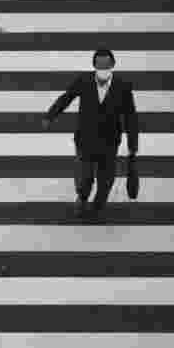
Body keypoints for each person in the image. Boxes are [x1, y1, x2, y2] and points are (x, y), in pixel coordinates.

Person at [42, 48, 140, 219]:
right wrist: (50, 116)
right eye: (99, 64)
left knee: (106, 180)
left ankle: (98, 206)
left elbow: (131, 117)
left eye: (106, 64)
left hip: (109, 142)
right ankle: (82, 197)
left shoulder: (123, 86)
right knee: (84, 177)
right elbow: (66, 98)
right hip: (85, 139)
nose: (103, 68)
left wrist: (133, 146)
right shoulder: (83, 80)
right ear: (94, 65)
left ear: (113, 65)